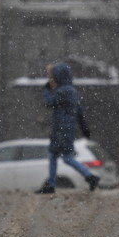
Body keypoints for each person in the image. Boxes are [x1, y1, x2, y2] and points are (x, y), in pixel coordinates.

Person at [36, 62, 100, 194]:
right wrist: (84, 128)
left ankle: (88, 177)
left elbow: (49, 103)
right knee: (63, 156)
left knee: (59, 156)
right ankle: (88, 177)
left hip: (60, 129)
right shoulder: (72, 91)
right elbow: (79, 112)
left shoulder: (62, 91)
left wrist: (47, 90)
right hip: (68, 129)